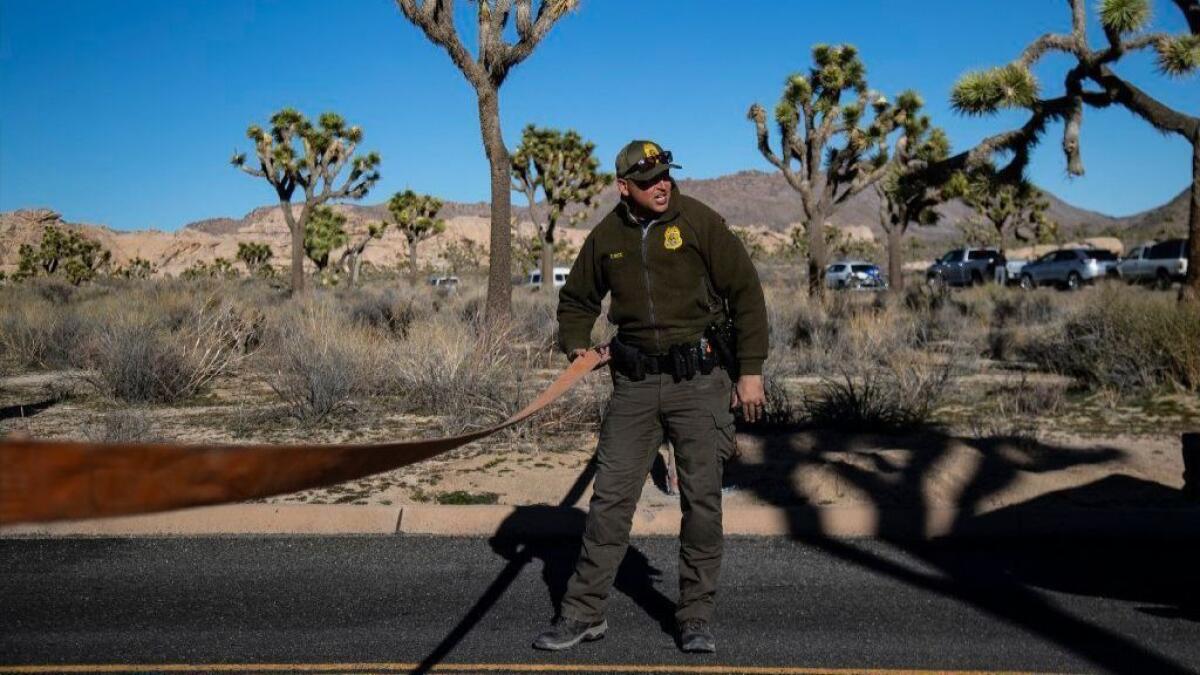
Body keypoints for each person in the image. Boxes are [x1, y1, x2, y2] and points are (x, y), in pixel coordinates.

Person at [532, 140, 768, 654]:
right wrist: (577, 344)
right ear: (624, 188)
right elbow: (576, 300)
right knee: (610, 502)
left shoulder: (700, 223)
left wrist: (750, 371)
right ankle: (583, 613)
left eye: (665, 175)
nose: (661, 185)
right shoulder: (607, 237)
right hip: (635, 386)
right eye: (647, 181)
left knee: (702, 504)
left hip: (700, 383)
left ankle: (695, 617)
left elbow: (746, 292)